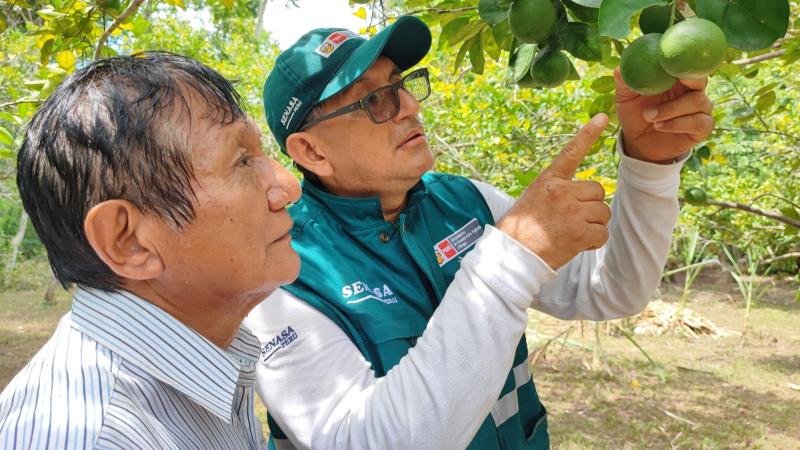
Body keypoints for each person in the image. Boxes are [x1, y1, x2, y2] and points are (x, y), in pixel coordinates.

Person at [246, 15, 714, 450]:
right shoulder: (282, 273)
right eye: (375, 100)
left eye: (401, 86)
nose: (409, 106)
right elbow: (363, 439)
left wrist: (649, 166)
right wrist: (510, 259)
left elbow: (610, 290)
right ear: (312, 151)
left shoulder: (465, 201)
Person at [0, 52, 303, 449]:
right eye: (242, 161)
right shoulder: (91, 436)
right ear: (128, 241)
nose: (287, 186)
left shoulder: (204, 355)